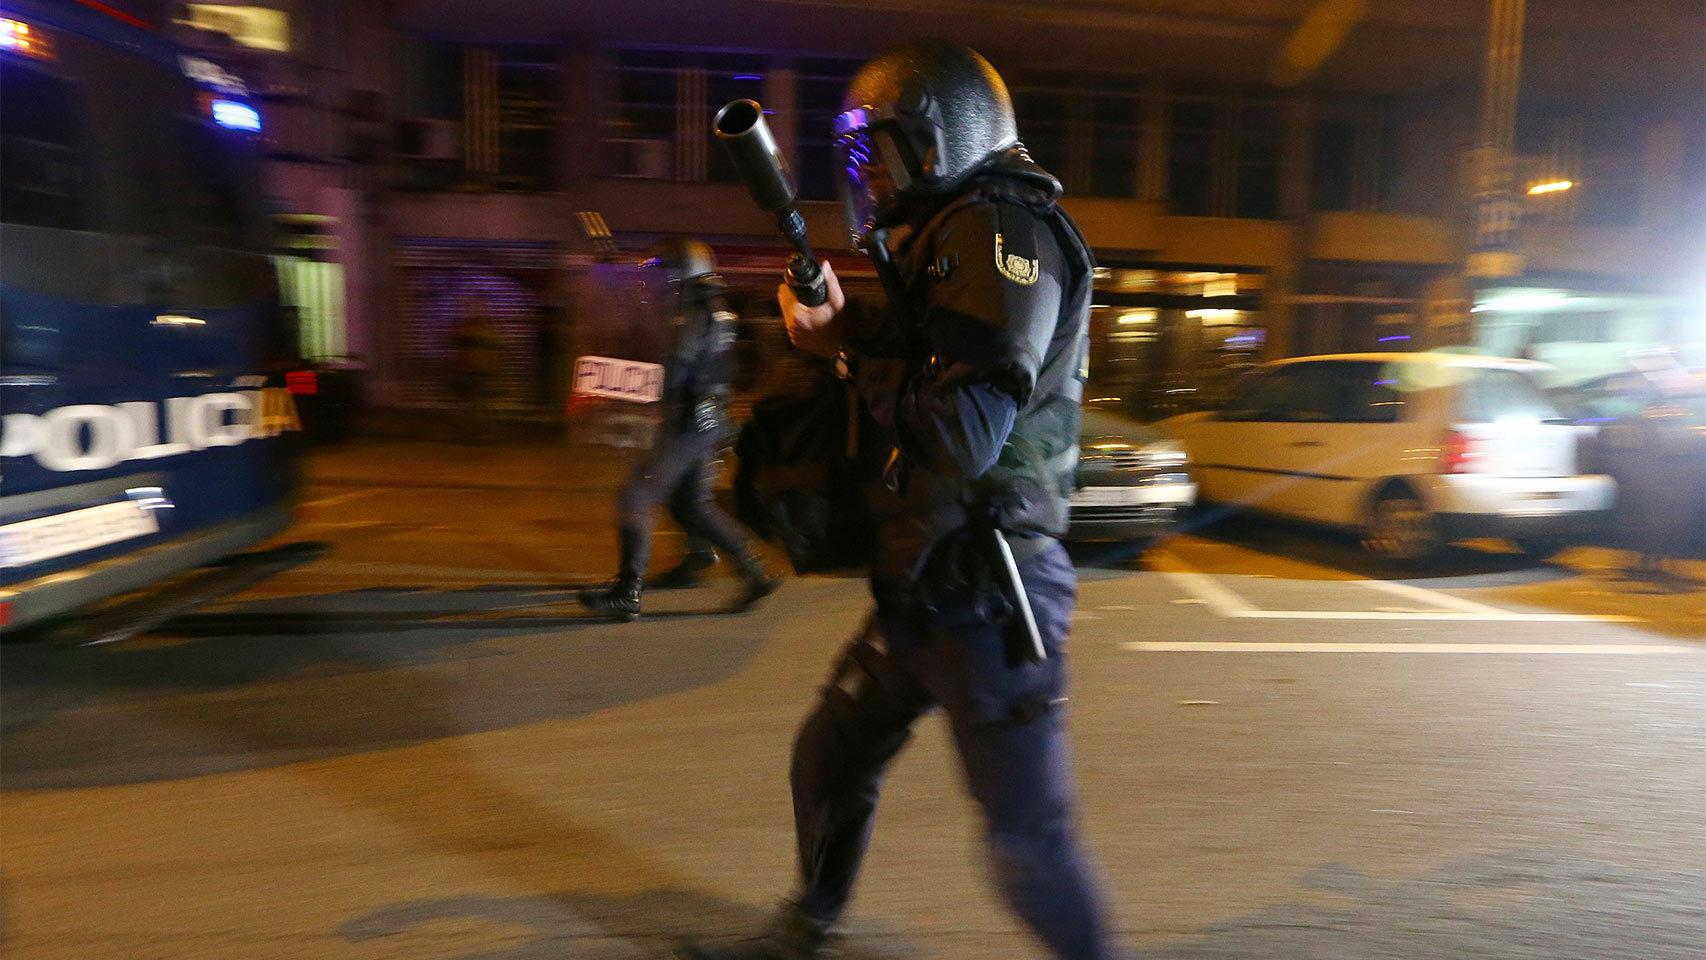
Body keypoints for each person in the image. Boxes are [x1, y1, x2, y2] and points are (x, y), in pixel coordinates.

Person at [680, 40, 1127, 960]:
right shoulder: (954, 239)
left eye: (878, 157)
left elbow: (962, 431)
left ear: (937, 141)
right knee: (829, 755)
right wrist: (856, 328)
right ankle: (811, 923)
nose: (870, 182)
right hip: (925, 582)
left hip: (991, 591)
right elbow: (935, 357)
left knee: (1026, 844)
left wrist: (847, 349)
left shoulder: (1005, 231)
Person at [579, 238, 779, 620]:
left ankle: (627, 593)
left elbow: (671, 373)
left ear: (683, 274)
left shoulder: (689, 315)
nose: (662, 283)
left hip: (688, 422)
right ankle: (754, 572)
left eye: (668, 274)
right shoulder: (715, 310)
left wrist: (619, 385)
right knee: (691, 505)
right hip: (710, 419)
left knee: (635, 497)